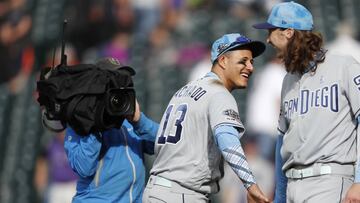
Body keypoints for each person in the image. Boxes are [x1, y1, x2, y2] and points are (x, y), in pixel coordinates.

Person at [142, 33, 270, 203]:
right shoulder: (219, 94)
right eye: (243, 61)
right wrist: (251, 185)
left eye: (251, 62)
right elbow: (228, 141)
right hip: (182, 194)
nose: (250, 67)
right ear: (223, 61)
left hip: (156, 190)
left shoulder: (183, 91)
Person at [253, 2, 360, 202]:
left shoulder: (344, 66)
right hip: (294, 186)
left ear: (288, 32)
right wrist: (280, 196)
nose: (267, 39)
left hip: (329, 182)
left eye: (271, 31)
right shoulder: (288, 80)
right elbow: (281, 141)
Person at [64, 58, 159, 203]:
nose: (119, 84)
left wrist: (140, 122)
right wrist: (96, 125)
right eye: (113, 79)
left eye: (122, 79)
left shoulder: (127, 117)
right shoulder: (81, 119)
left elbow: (164, 144)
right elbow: (84, 168)